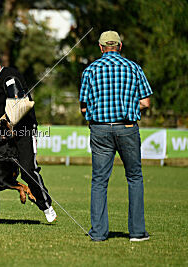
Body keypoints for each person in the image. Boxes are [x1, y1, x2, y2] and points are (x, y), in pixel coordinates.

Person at [79, 31, 152, 241]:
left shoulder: (90, 70)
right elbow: (146, 102)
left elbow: (84, 109)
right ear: (120, 46)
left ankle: (99, 233)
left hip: (100, 130)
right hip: (127, 128)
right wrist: (128, 105)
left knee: (99, 181)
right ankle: (137, 232)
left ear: (101, 48)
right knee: (135, 178)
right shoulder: (134, 68)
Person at [0, 51, 57, 224]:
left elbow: (20, 104)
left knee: (28, 170)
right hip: (0, 135)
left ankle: (46, 205)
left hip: (23, 131)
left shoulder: (11, 76)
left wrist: (9, 125)